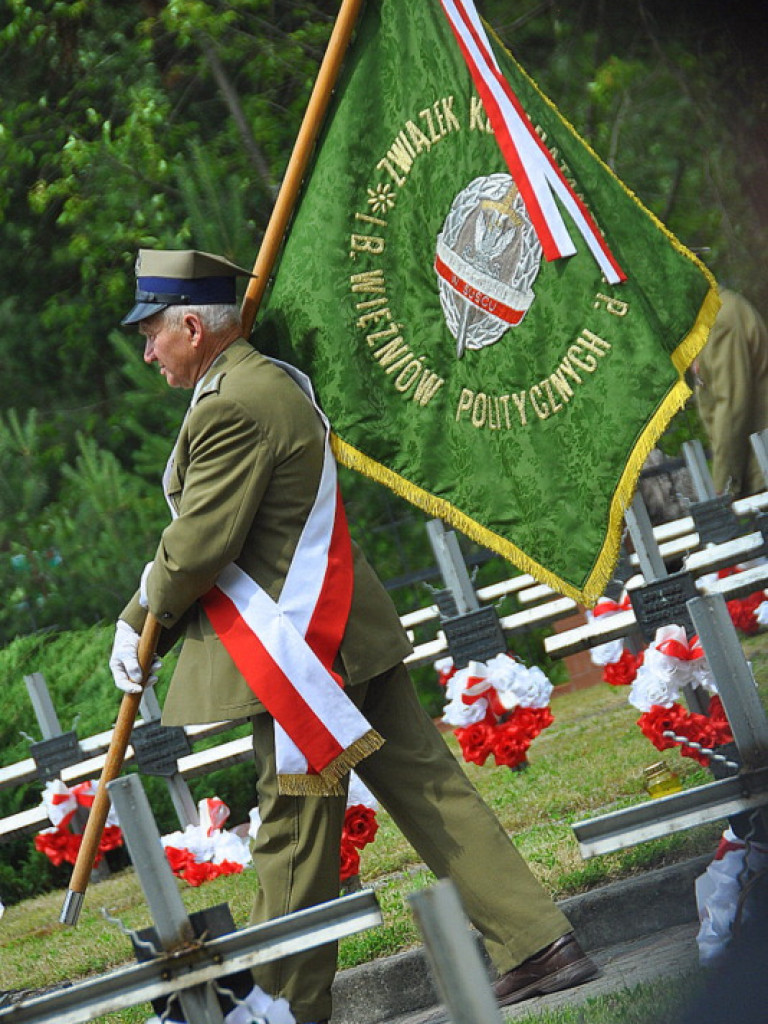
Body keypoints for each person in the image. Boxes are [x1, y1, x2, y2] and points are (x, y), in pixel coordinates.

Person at [109, 248, 598, 1024]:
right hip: (343, 630)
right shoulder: (261, 383)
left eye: (151, 334)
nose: (147, 353)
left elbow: (200, 543)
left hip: (302, 651)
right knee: (431, 791)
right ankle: (538, 943)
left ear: (192, 328)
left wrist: (140, 619)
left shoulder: (232, 403)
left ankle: (279, 1010)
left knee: (293, 837)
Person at [695, 288, 768, 499]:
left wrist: (722, 486)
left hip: (759, 469)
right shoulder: (711, 316)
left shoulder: (720, 318)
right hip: (756, 469)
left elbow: (731, 406)